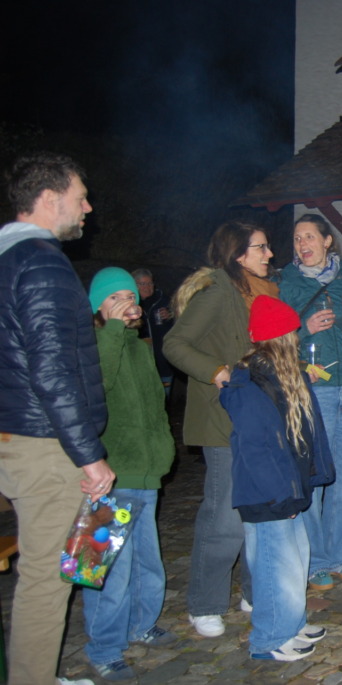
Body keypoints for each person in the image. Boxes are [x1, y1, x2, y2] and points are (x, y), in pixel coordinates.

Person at [0, 151, 115, 685]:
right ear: (48, 200)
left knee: (41, 573)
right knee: (47, 579)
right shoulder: (41, 262)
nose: (88, 207)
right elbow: (52, 369)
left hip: (17, 435)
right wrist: (88, 456)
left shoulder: (5, 259)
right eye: (80, 196)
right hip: (45, 442)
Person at [163, 220, 277, 637]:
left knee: (256, 511)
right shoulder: (217, 293)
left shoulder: (256, 293)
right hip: (221, 419)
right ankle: (205, 603)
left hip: (255, 416)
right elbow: (174, 344)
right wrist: (216, 371)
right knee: (224, 515)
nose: (269, 255)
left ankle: (251, 592)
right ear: (238, 255)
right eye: (261, 248)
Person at [220, 295, 334, 662]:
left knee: (296, 559)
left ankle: (291, 622)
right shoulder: (251, 384)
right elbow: (257, 448)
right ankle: (269, 638)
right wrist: (280, 494)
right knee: (273, 565)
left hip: (287, 490)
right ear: (280, 338)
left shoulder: (284, 375)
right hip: (267, 495)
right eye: (293, 333)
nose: (298, 339)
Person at [83, 267, 177, 681]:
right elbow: (95, 385)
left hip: (144, 472)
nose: (127, 303)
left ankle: (142, 624)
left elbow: (154, 409)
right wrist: (111, 332)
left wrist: (163, 453)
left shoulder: (140, 348)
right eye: (115, 298)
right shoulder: (91, 344)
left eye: (129, 295)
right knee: (105, 570)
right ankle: (103, 647)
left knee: (146, 562)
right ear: (97, 308)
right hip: (109, 476)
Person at [278, 213, 342, 590]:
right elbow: (273, 340)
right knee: (315, 478)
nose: (303, 244)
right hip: (316, 388)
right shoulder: (286, 283)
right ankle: (315, 561)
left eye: (310, 237)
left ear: (327, 241)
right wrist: (304, 328)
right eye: (298, 238)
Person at [132, 268, 175, 394]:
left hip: (163, 363)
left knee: (163, 399)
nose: (147, 287)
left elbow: (182, 323)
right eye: (143, 284)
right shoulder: (129, 304)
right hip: (140, 366)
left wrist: (171, 315)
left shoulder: (163, 300)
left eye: (150, 283)